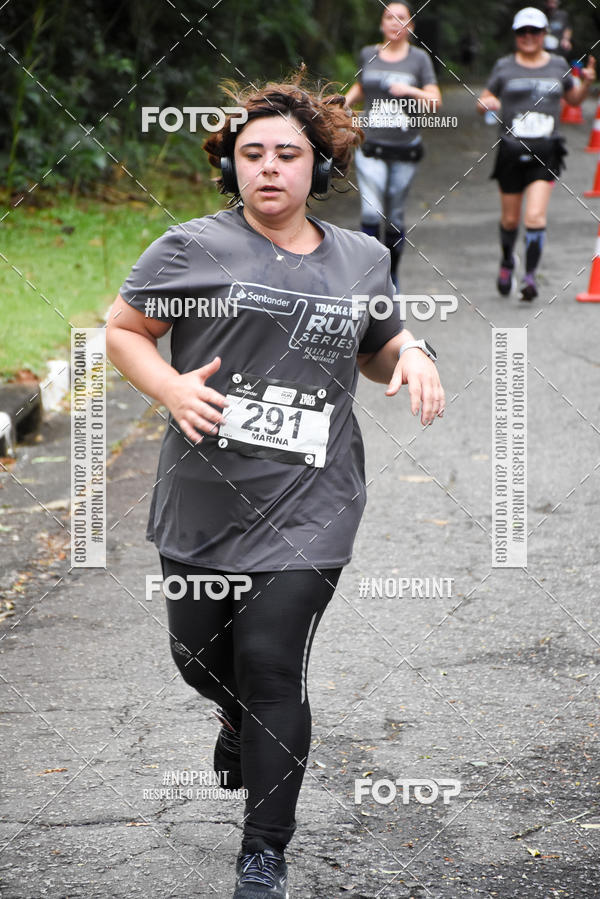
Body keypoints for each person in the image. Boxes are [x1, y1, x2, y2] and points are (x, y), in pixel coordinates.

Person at [106, 73, 444, 899]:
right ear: (231, 166)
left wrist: (413, 353)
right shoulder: (190, 247)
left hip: (312, 502)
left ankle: (264, 853)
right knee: (198, 658)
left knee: (271, 665)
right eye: (251, 153)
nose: (267, 167)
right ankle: (232, 717)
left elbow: (378, 344)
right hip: (204, 498)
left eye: (287, 154)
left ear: (317, 167)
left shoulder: (362, 257)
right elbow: (124, 329)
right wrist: (170, 386)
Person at [477, 7, 595, 301]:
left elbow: (573, 99)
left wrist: (587, 82)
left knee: (535, 215)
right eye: (522, 31)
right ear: (516, 35)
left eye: (534, 31)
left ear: (544, 34)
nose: (528, 36)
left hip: (546, 150)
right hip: (510, 150)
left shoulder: (558, 65)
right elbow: (485, 97)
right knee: (510, 220)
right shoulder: (504, 66)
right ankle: (508, 260)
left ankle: (530, 277)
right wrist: (487, 103)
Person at [344, 1, 441, 288]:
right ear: (381, 24)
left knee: (394, 216)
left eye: (401, 18)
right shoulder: (368, 54)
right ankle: (371, 279)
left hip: (404, 148)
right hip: (370, 145)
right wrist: (340, 104)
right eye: (389, 17)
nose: (394, 22)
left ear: (410, 26)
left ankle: (391, 276)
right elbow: (362, 86)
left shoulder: (419, 59)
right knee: (371, 212)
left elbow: (435, 101)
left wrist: (410, 90)